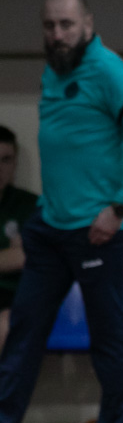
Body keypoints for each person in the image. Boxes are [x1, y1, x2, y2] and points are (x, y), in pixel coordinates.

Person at [0, 0, 123, 423]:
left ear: (88, 25)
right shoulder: (53, 70)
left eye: (67, 25)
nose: (57, 34)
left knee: (108, 341)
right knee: (22, 339)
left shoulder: (108, 70)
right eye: (49, 25)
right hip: (49, 228)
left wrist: (118, 208)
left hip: (97, 233)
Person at [0, 126, 39, 354]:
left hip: (14, 297)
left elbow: (27, 257)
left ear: (14, 164)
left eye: (6, 160)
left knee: (5, 325)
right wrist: (9, 256)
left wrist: (18, 255)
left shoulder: (30, 205)